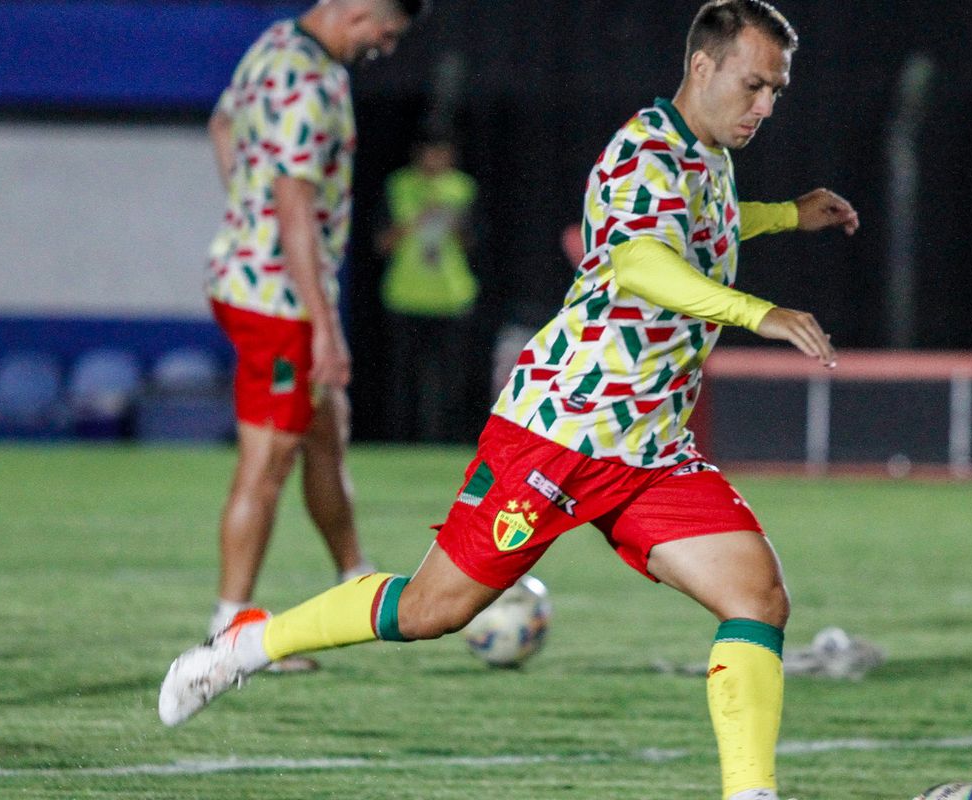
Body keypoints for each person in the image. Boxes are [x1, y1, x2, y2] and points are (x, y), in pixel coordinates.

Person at [163, 2, 859, 797]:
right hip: (559, 432)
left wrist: (787, 215)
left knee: (757, 596)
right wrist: (758, 313)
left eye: (777, 91)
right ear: (702, 66)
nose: (766, 105)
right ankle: (244, 648)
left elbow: (709, 225)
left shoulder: (708, 157)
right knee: (429, 611)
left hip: (648, 450)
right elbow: (641, 262)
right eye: (755, 84)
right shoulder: (644, 151)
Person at [200, 0, 423, 661]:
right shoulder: (307, 82)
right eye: (385, 32)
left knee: (326, 430)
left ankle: (356, 580)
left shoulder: (275, 44)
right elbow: (294, 207)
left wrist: (244, 214)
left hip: (253, 280)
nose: (384, 47)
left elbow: (221, 124)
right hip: (279, 302)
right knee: (269, 458)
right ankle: (229, 627)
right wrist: (325, 326)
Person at [376, 137, 480, 442]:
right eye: (429, 152)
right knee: (402, 380)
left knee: (451, 379)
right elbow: (381, 243)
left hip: (451, 297)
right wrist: (416, 219)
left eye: (441, 153)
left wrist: (452, 221)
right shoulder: (399, 185)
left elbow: (475, 243)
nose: (434, 159)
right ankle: (398, 442)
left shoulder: (463, 188)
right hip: (406, 296)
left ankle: (448, 441)